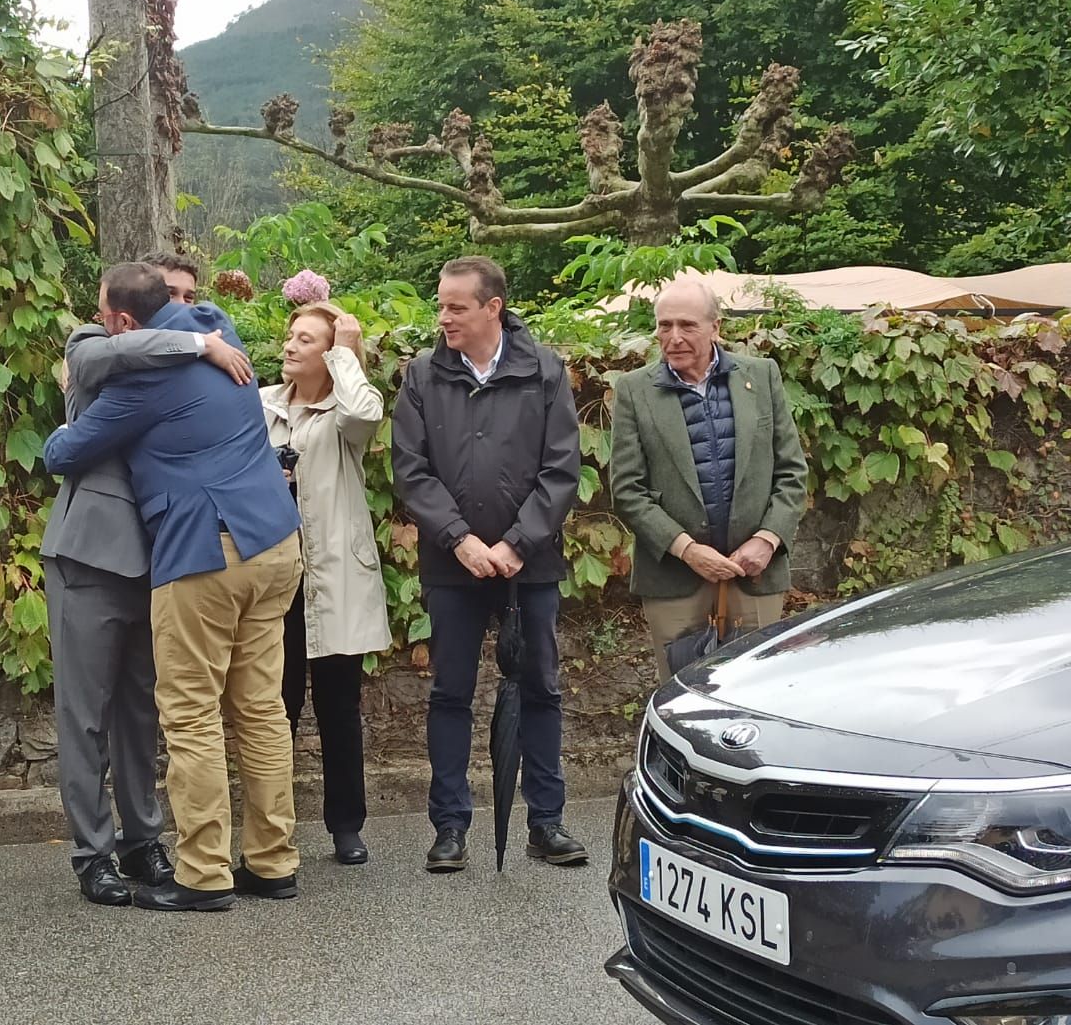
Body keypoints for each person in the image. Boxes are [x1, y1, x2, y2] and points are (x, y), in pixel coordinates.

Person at [43, 263, 303, 913]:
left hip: (205, 550)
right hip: (275, 540)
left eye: (106, 315)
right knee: (261, 707)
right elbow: (188, 322)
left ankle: (203, 873)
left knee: (191, 716)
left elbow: (66, 452)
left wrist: (58, 429)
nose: (101, 324)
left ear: (124, 322)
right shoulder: (223, 330)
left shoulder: (143, 387)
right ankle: (273, 862)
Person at [392, 256, 586, 873]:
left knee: (541, 690)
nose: (443, 317)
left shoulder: (544, 369)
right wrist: (461, 541)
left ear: (492, 308)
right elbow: (411, 471)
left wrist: (514, 544)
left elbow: (561, 470)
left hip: (529, 565)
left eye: (456, 306)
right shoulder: (421, 376)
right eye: (441, 305)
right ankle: (449, 827)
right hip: (453, 566)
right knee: (450, 692)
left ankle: (546, 823)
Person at [609, 280, 808, 682]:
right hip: (675, 580)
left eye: (687, 325)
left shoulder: (762, 376)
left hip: (753, 573)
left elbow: (792, 471)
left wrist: (767, 540)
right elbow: (627, 490)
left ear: (715, 327)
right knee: (683, 695)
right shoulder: (634, 390)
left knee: (755, 692)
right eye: (664, 326)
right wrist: (687, 550)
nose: (674, 337)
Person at [260, 301, 390, 866]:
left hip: (335, 574)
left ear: (330, 355)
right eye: (290, 336)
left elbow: (366, 412)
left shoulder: (346, 412)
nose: (290, 346)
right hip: (273, 574)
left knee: (339, 705)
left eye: (306, 340)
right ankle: (271, 828)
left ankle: (346, 826)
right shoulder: (259, 405)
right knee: (275, 705)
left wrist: (346, 349)